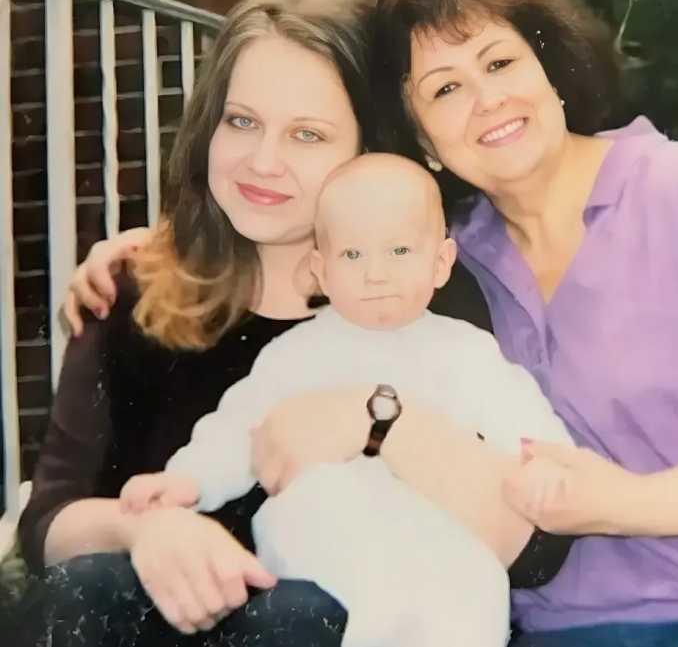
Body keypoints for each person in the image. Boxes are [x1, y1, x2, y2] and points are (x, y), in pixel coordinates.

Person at [17, 0, 573, 647]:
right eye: (241, 122)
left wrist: (376, 421)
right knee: (84, 587)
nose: (263, 161)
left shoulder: (424, 297)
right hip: (160, 625)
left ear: (368, 150)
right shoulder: (132, 290)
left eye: (308, 134)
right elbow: (46, 522)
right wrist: (142, 527)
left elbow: (537, 551)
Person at [364, 0, 678, 646]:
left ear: (549, 70)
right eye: (446, 88)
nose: (487, 100)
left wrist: (636, 502)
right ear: (423, 142)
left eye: (500, 62)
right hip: (565, 626)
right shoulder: (447, 264)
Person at [119, 152, 575, 647]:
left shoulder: (466, 351)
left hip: (429, 525)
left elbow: (521, 416)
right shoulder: (296, 353)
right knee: (360, 561)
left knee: (477, 575)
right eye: (353, 255)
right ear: (321, 269)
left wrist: (546, 464)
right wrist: (187, 480)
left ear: (441, 262)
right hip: (320, 521)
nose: (376, 274)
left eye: (399, 251)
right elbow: (237, 430)